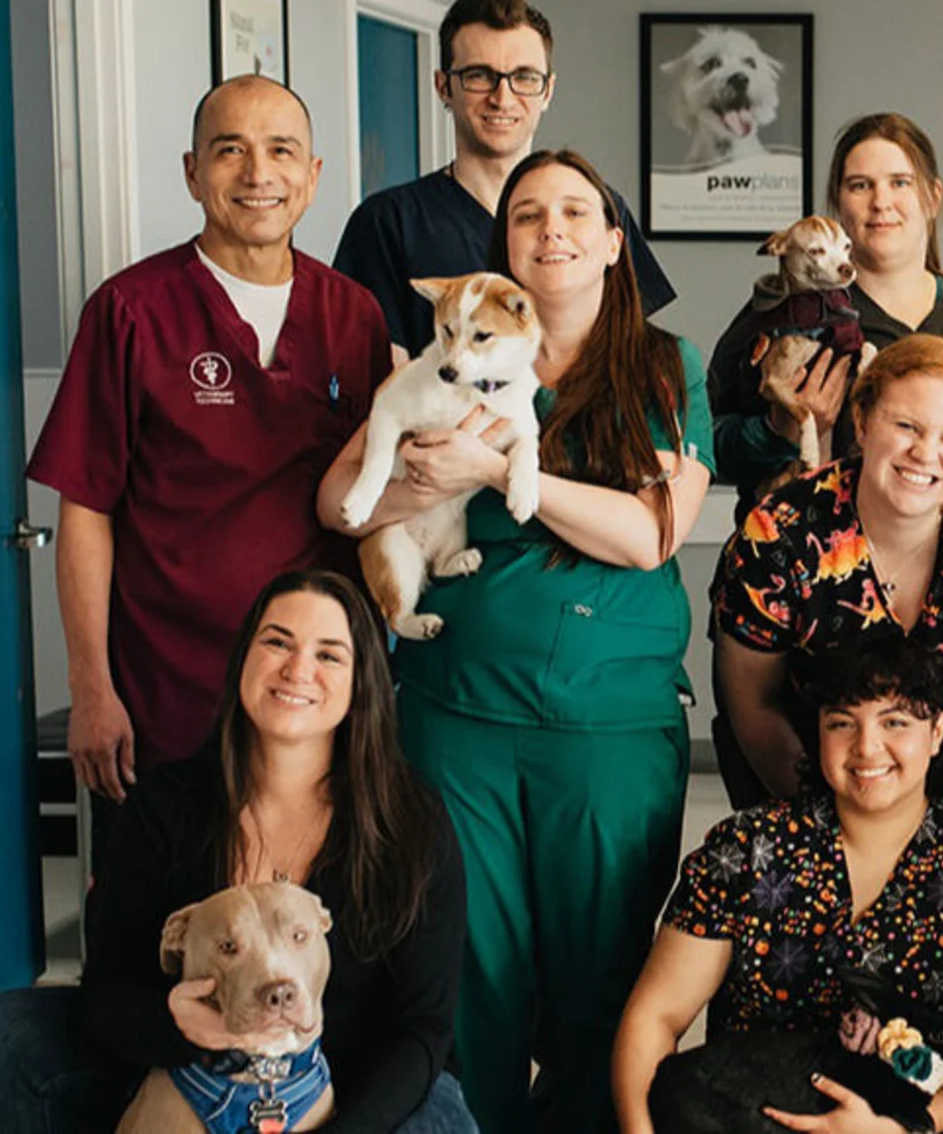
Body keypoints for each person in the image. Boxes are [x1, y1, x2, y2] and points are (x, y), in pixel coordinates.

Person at [317, 149, 713, 1133]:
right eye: (528, 214)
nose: (552, 229)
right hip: (460, 719)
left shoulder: (668, 367)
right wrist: (427, 478)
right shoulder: (443, 364)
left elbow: (650, 532)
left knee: (601, 971)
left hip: (609, 728)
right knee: (467, 969)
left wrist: (492, 471)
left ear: (616, 243)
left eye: (578, 211)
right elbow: (339, 502)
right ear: (501, 253)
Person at [0, 570, 470, 1133]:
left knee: (441, 1124)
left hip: (348, 1084)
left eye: (329, 655)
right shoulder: (164, 807)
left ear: (361, 685)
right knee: (4, 1036)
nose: (298, 669)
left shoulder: (410, 823)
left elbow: (422, 1028)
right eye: (277, 642)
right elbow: (104, 993)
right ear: (243, 660)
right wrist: (176, 1025)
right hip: (185, 1074)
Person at [29, 75, 392, 798]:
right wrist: (91, 686)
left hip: (312, 694)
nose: (259, 174)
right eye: (231, 151)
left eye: (282, 151)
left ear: (313, 176)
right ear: (193, 173)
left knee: (307, 908)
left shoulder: (353, 315)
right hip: (168, 692)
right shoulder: (130, 311)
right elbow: (86, 513)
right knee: (170, 906)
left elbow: (377, 503)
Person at [612, 636, 943, 1134]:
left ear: (937, 731)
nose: (866, 747)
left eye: (895, 723)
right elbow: (655, 1016)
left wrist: (901, 1129)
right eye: (842, 723)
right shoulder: (747, 850)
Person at [707, 334, 943, 814]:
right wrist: (837, 837)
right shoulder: (780, 534)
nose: (925, 454)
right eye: (906, 426)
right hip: (810, 801)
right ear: (861, 423)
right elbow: (754, 705)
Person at [334, 0, 675, 363]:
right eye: (480, 75)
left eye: (524, 77)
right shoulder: (387, 223)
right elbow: (385, 383)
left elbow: (629, 353)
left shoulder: (595, 209)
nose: (503, 98)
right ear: (442, 86)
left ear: (547, 90)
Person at [706, 113, 943, 495]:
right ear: (839, 204)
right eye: (860, 186)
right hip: (811, 548)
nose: (880, 202)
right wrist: (779, 430)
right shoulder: (779, 318)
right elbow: (704, 448)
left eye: (900, 182)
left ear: (933, 198)